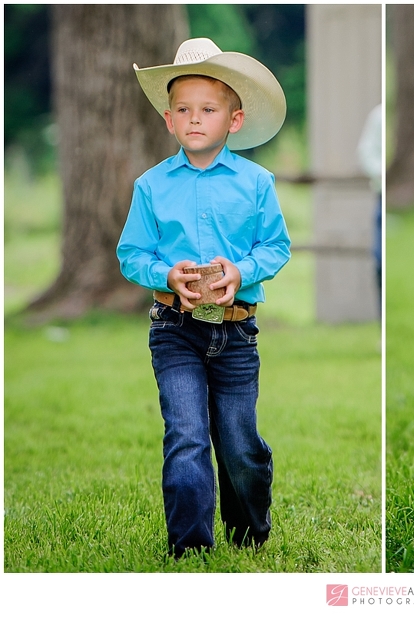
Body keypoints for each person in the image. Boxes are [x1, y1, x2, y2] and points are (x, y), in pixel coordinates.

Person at [117, 38, 291, 557]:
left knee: (239, 443)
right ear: (168, 120)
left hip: (236, 332)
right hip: (175, 330)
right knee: (187, 435)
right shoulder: (151, 186)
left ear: (234, 120)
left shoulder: (256, 183)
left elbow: (276, 246)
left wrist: (241, 270)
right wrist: (165, 274)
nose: (195, 119)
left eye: (208, 110)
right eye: (183, 110)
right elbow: (131, 253)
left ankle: (249, 532)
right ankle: (190, 546)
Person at [357, 103, 383, 311]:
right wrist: (380, 172)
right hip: (381, 194)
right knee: (380, 261)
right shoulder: (378, 115)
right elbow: (365, 152)